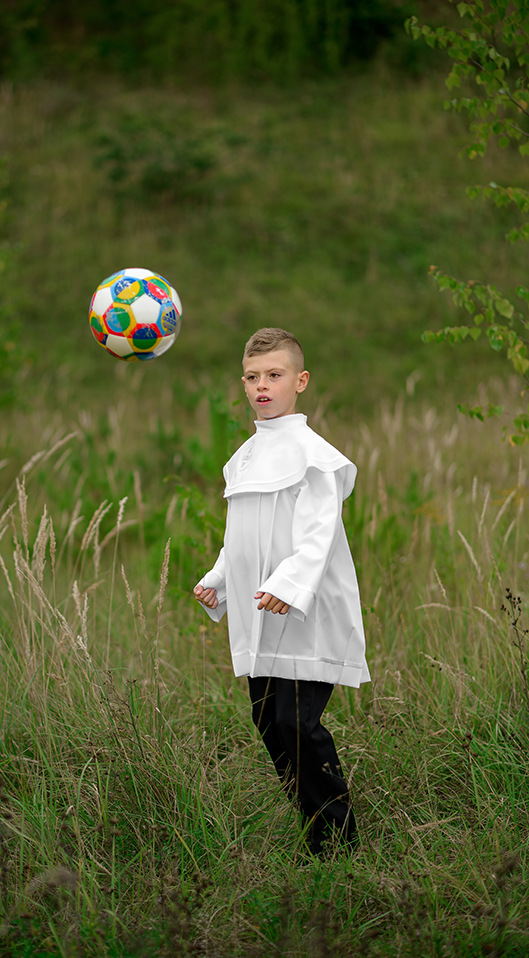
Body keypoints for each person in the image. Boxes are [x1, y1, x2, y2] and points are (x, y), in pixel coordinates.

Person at [193, 327, 370, 857]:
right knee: (269, 721)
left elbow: (318, 535)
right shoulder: (244, 458)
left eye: (274, 375)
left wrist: (290, 584)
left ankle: (338, 840)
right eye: (252, 377)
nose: (262, 386)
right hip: (260, 612)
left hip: (305, 612)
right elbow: (243, 536)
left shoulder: (314, 455)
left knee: (297, 722)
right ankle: (313, 825)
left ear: (301, 380)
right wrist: (219, 579)